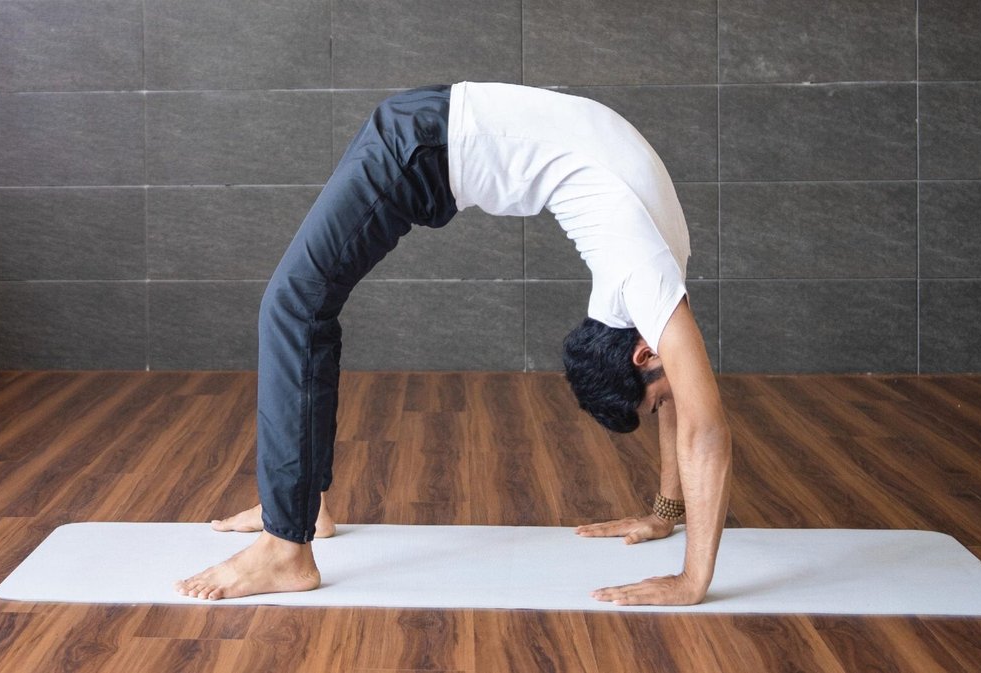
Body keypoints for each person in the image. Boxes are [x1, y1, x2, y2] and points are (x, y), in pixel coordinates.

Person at [175, 82, 733, 606]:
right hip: (422, 145)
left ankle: (301, 507)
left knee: (307, 306)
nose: (670, 402)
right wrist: (692, 580)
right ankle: (286, 548)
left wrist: (664, 513)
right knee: (292, 306)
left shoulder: (646, 281)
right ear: (644, 352)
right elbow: (703, 429)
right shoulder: (645, 274)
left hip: (431, 121)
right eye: (656, 398)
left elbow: (681, 397)